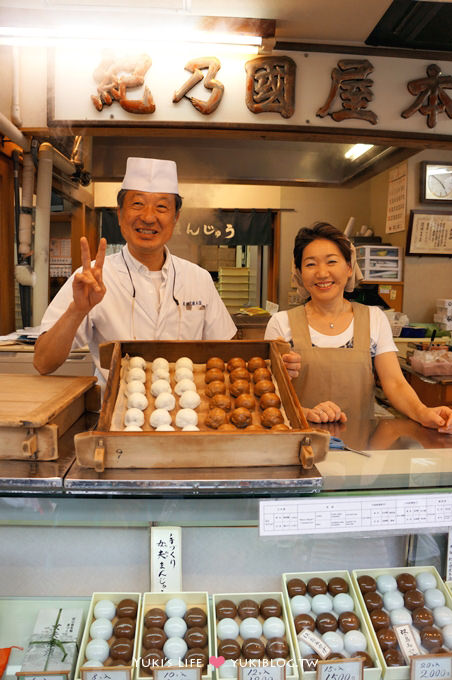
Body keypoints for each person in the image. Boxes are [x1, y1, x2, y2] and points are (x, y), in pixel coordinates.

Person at [34, 157, 237, 389]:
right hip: (115, 416)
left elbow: (229, 357)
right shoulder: (92, 277)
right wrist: (77, 310)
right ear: (120, 214)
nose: (149, 217)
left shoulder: (198, 279)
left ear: (176, 217)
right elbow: (43, 362)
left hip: (189, 416)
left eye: (161, 206)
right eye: (137, 204)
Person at [265, 221, 452, 433]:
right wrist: (304, 412)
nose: (322, 273)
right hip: (299, 441)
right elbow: (268, 393)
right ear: (299, 272)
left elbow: (395, 383)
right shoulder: (280, 323)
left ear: (348, 268)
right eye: (310, 264)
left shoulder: (373, 318)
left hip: (361, 448)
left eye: (331, 262)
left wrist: (423, 412)